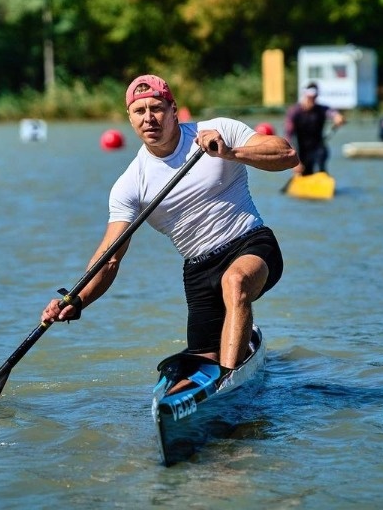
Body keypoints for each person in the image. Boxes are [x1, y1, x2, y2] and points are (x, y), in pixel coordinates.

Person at [41, 74, 298, 382]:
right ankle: (201, 392)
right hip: (199, 273)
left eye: (157, 108)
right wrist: (76, 298)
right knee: (195, 368)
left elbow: (286, 155)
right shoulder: (130, 185)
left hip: (251, 244)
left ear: (174, 109)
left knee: (235, 282)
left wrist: (229, 152)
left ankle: (230, 385)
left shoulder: (218, 131)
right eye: (139, 111)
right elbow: (109, 258)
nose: (149, 118)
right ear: (130, 119)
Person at [283, 82, 344, 176]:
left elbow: (332, 113)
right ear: (305, 95)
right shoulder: (295, 112)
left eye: (314, 97)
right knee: (305, 172)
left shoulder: (322, 109)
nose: (312, 100)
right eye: (309, 97)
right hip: (302, 150)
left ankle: (322, 176)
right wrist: (294, 162)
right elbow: (288, 136)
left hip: (318, 147)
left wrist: (338, 117)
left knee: (320, 163)